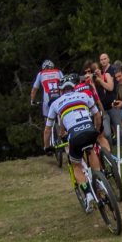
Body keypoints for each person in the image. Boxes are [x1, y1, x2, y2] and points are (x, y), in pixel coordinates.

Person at [46, 78, 105, 207]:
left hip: (75, 136)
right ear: (74, 88)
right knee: (90, 150)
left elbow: (48, 129)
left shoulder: (56, 103)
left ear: (61, 90)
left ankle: (88, 193)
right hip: (89, 129)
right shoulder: (83, 95)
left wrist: (47, 146)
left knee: (76, 165)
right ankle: (100, 180)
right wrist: (97, 129)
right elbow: (97, 116)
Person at [32, 58, 64, 149]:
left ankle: (48, 146)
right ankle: (64, 136)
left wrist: (32, 100)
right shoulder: (58, 72)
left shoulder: (41, 74)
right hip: (59, 99)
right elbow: (64, 83)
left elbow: (35, 89)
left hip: (47, 101)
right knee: (62, 117)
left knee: (48, 123)